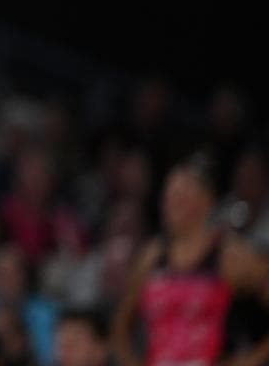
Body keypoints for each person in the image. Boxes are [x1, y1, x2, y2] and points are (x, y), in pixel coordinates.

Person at [111, 154, 269, 366]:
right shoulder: (153, 256)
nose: (171, 204)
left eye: (182, 196)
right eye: (169, 195)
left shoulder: (230, 255)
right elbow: (121, 323)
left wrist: (250, 360)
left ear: (206, 201)